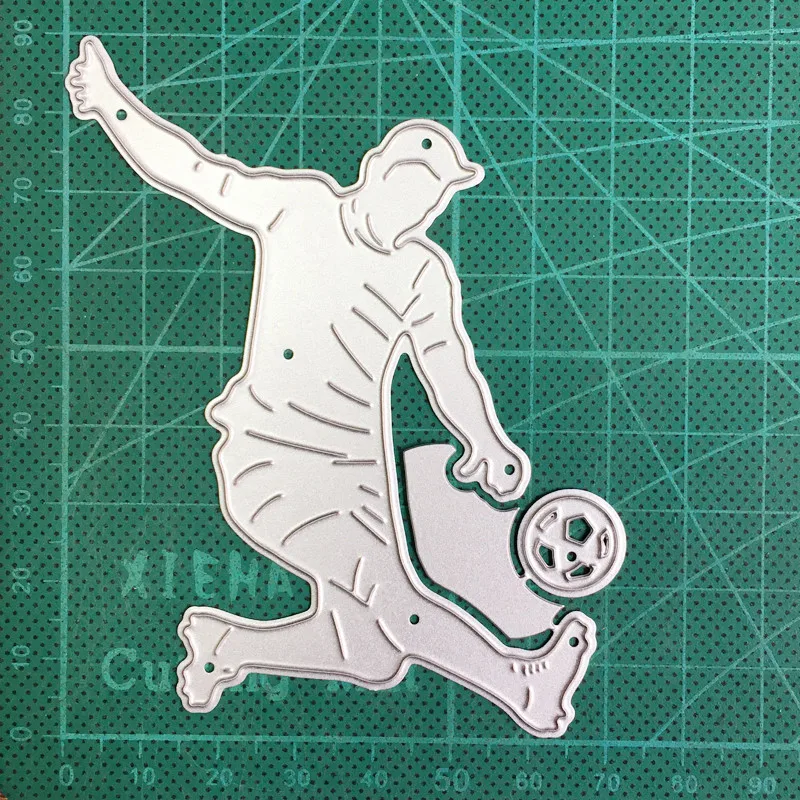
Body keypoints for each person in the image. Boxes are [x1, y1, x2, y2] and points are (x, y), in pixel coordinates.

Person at [66, 35, 596, 736]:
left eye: (434, 196)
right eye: (411, 183)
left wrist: (486, 442)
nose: (419, 207)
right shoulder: (301, 210)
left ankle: (228, 647)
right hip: (274, 462)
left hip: (360, 477)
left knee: (370, 652)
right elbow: (195, 172)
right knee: (396, 599)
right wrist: (109, 105)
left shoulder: (421, 273)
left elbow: (448, 367)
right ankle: (520, 682)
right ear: (375, 170)